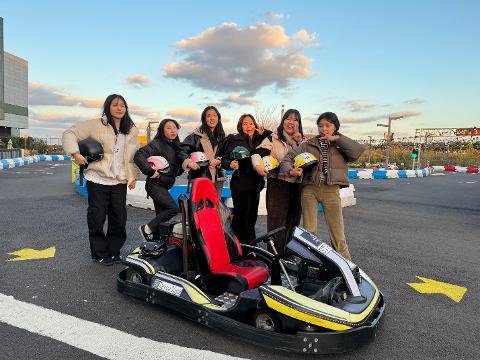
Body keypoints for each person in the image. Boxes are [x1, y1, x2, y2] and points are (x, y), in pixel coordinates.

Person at [62, 94, 139, 266]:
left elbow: (131, 157)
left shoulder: (131, 129)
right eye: (115, 105)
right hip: (98, 179)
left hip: (119, 180)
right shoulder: (95, 124)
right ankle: (100, 253)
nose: (119, 108)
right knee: (97, 217)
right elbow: (70, 133)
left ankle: (114, 251)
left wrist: (132, 176)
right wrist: (75, 154)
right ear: (107, 107)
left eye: (122, 106)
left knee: (119, 219)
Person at [279, 112, 364, 260]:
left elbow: (357, 152)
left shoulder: (341, 144)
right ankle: (309, 264)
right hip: (309, 189)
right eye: (320, 126)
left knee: (337, 233)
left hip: (331, 190)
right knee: (309, 232)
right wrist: (291, 170)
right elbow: (288, 158)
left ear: (335, 126)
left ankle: (346, 266)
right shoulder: (309, 144)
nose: (324, 128)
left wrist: (337, 139)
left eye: (328, 125)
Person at [134, 119, 198, 242]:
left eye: (174, 127)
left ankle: (156, 241)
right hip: (155, 184)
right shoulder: (157, 143)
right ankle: (146, 229)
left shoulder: (177, 146)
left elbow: (175, 169)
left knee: (160, 216)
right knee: (173, 209)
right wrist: (149, 171)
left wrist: (185, 167)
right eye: (168, 128)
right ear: (162, 130)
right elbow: (139, 155)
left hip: (164, 185)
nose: (172, 130)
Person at [251, 109, 304, 255]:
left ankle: (288, 254)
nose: (291, 122)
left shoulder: (302, 141)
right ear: (283, 121)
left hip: (297, 185)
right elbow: (257, 154)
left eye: (295, 119)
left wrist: (300, 142)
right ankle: (275, 256)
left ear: (299, 124)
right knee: (277, 221)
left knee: (293, 221)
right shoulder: (272, 138)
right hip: (278, 184)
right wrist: (258, 166)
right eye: (288, 118)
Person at [221, 114, 272, 245]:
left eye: (251, 123)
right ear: (240, 126)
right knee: (240, 217)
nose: (248, 126)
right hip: (240, 183)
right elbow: (225, 158)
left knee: (252, 216)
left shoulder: (260, 139)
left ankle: (250, 242)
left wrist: (264, 132)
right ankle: (239, 245)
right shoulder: (234, 139)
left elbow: (276, 137)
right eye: (245, 123)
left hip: (256, 184)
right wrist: (229, 164)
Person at [182, 106, 225, 195]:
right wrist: (189, 162)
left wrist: (219, 161)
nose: (212, 118)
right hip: (199, 177)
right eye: (208, 116)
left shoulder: (222, 137)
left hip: (218, 179)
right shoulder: (195, 137)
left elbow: (227, 155)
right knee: (199, 207)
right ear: (204, 119)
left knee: (215, 206)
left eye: (214, 115)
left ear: (218, 118)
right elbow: (182, 151)